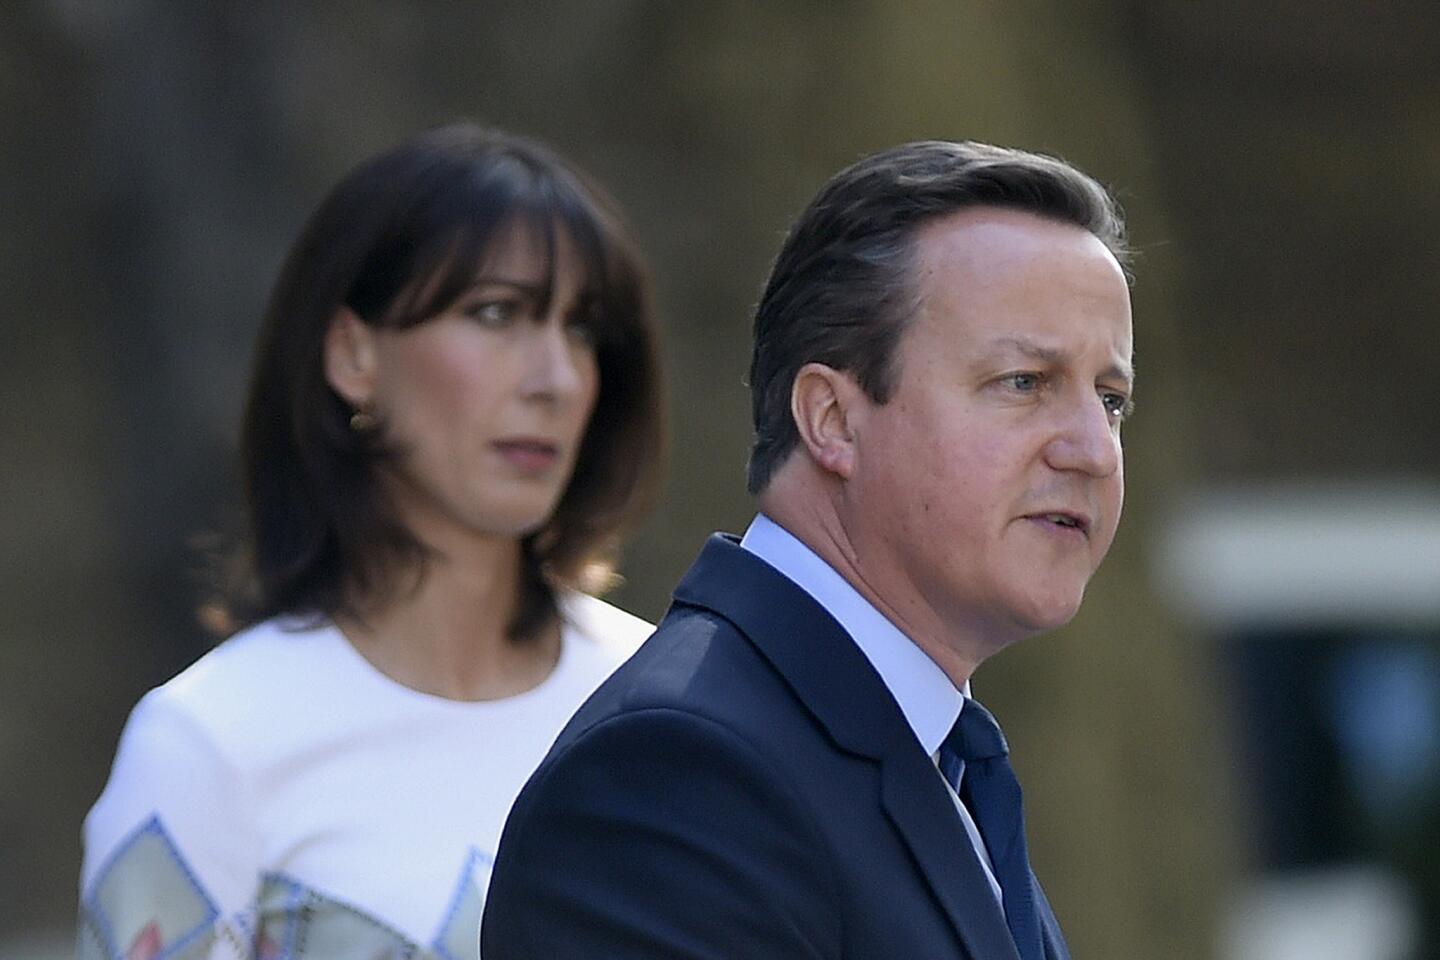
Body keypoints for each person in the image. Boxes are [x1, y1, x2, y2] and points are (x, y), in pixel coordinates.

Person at [481, 139, 1133, 959]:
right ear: (832, 420)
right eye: (1024, 382)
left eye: (1110, 401)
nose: (1093, 450)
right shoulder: (678, 775)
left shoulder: (938, 761)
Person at [78, 123, 664, 960]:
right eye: (496, 313)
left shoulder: (659, 706)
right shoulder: (210, 747)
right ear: (353, 354)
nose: (557, 379)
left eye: (582, 329)